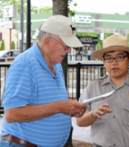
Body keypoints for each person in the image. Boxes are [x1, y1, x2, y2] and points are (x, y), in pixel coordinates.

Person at [0, 15, 86, 147]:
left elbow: (50, 105)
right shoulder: (25, 64)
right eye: (66, 46)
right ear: (47, 42)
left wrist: (69, 109)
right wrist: (60, 107)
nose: (69, 50)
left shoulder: (56, 64)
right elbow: (12, 114)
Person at [76, 34, 129, 147]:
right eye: (109, 58)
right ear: (104, 62)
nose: (114, 62)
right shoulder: (93, 86)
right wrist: (93, 114)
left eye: (119, 57)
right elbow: (79, 121)